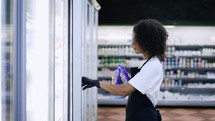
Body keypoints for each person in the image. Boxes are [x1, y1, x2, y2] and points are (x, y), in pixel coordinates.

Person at [82, 19, 168, 121]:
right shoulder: (148, 63)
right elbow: (136, 89)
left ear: (147, 41)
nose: (132, 44)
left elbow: (123, 91)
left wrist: (97, 83)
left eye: (136, 40)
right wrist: (126, 80)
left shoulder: (152, 66)